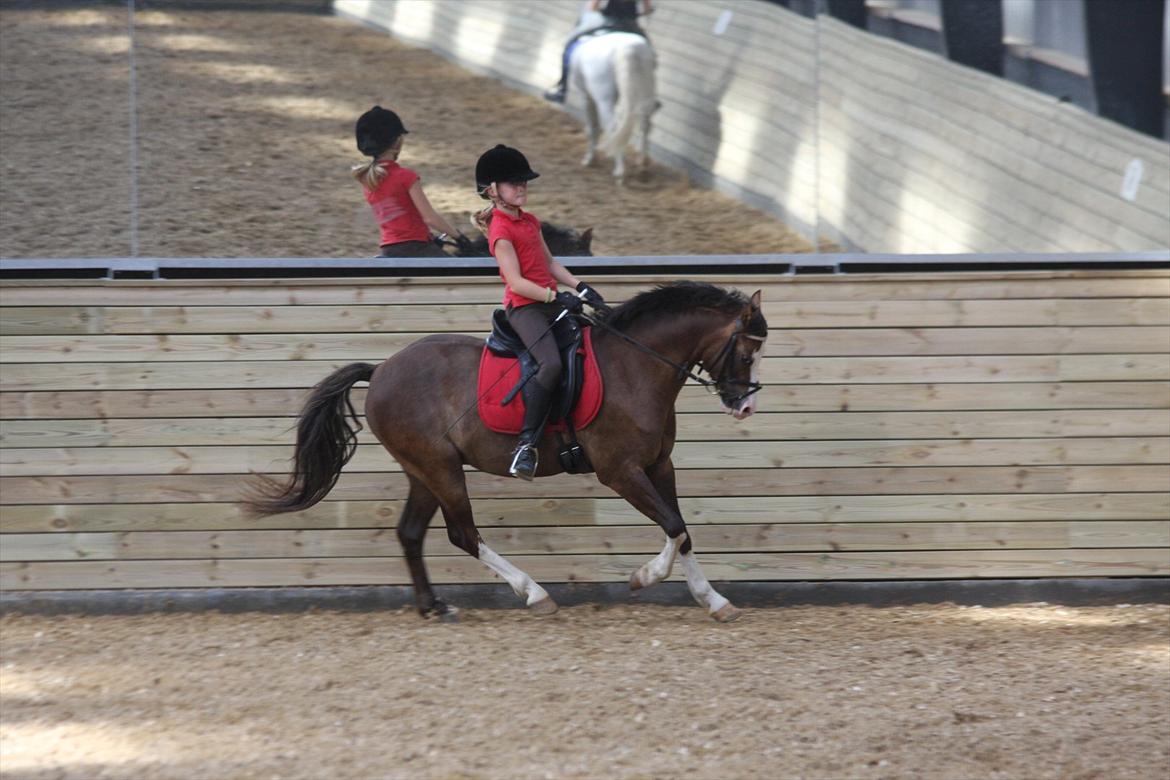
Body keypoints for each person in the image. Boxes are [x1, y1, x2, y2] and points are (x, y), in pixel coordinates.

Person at [472, 144, 608, 480]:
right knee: (550, 364)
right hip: (526, 310)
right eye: (513, 183)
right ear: (493, 191)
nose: (521, 187)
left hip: (549, 301)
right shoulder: (500, 231)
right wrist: (555, 297)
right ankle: (526, 445)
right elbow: (516, 283)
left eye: (524, 182)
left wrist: (580, 286)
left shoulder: (530, 221)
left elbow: (549, 262)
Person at [352, 106, 473, 258]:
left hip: (389, 250)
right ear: (397, 142)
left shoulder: (368, 179)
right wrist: (459, 237)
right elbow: (430, 218)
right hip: (417, 250)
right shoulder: (405, 176)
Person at [544, 0, 653, 104]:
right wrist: (639, 13)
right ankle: (648, 95)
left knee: (570, 45)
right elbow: (647, 9)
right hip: (631, 25)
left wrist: (601, 11)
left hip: (609, 22)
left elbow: (594, 6)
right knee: (650, 53)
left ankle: (562, 88)